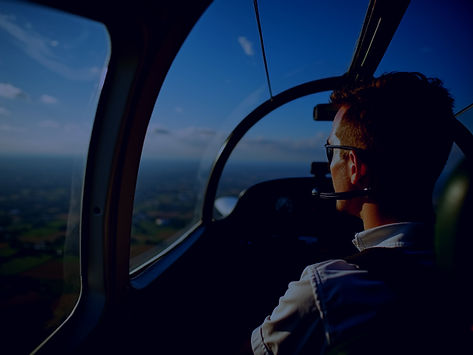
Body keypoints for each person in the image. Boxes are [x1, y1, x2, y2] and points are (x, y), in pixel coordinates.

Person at [251, 72, 458, 354]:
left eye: (331, 150)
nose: (329, 165)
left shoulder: (324, 290)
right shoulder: (460, 263)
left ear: (354, 166)